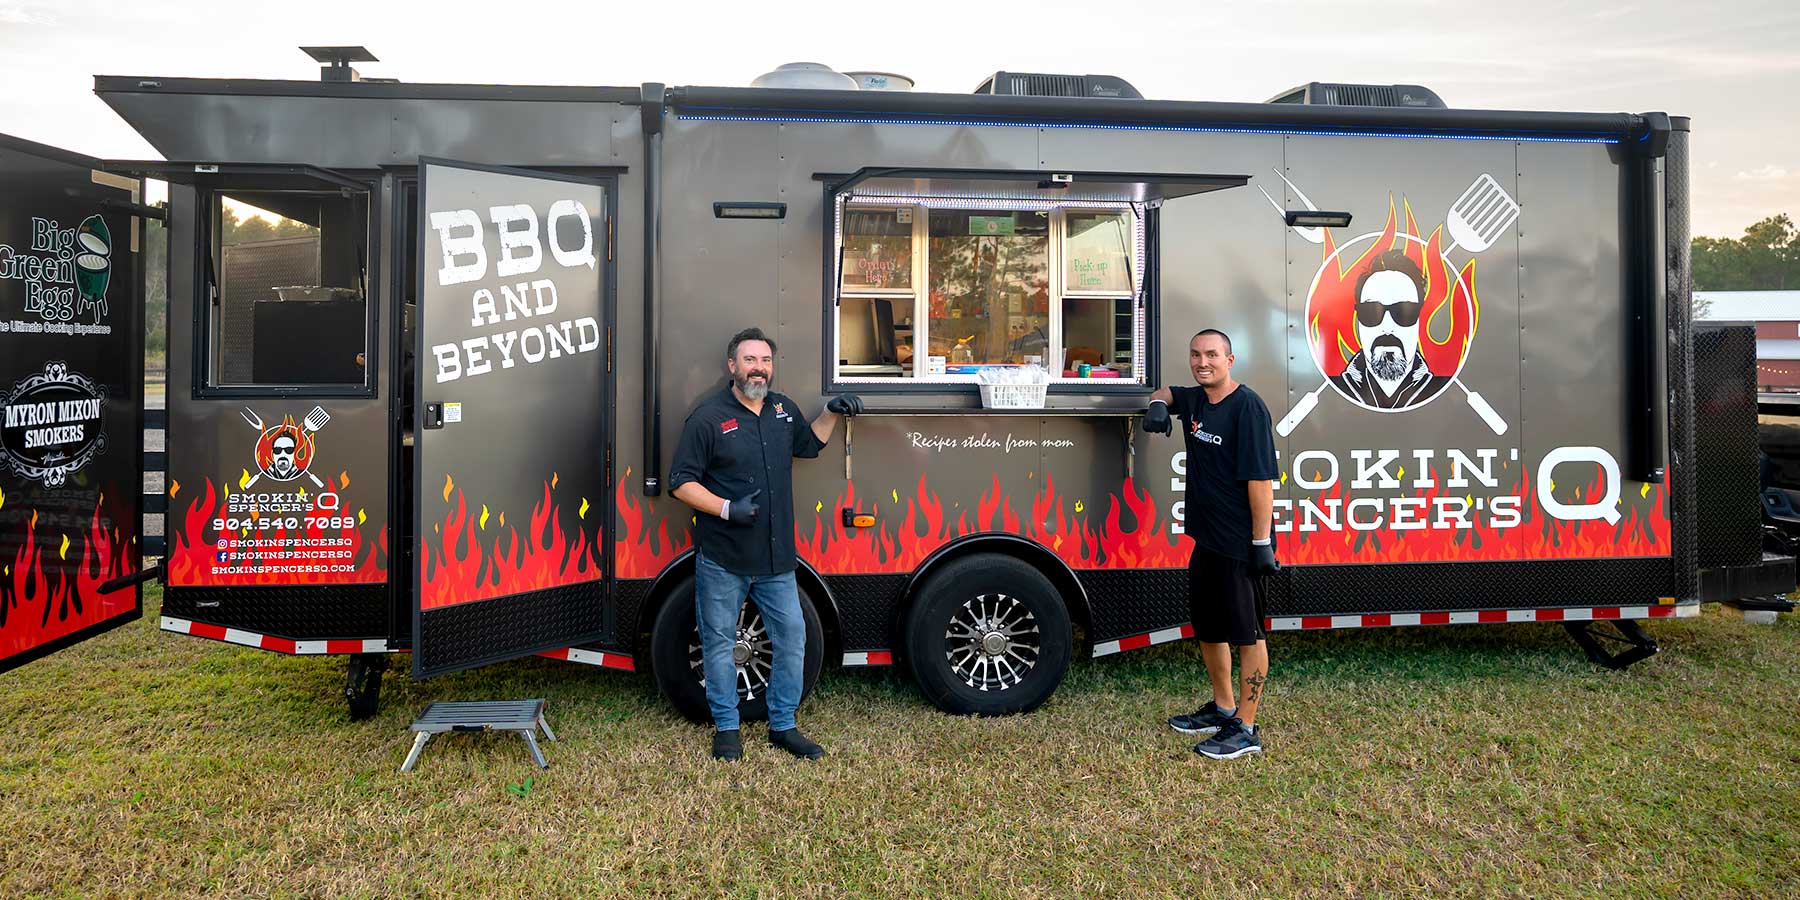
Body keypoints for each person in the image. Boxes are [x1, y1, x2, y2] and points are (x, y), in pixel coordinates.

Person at [669, 327, 862, 762]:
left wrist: (832, 411)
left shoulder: (781, 409)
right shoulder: (708, 418)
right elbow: (680, 483)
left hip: (776, 560)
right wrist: (725, 509)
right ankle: (727, 729)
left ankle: (783, 726)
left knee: (793, 638)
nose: (759, 368)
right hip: (724, 557)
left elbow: (809, 445)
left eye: (766, 361)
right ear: (732, 366)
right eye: (750, 360)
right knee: (718, 643)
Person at [1142, 329, 1280, 759]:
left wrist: (1260, 543)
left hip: (1241, 543)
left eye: (1213, 355)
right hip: (1207, 538)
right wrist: (1158, 405)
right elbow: (1164, 390)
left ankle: (1247, 726)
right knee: (1208, 626)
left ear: (1230, 359)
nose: (1203, 362)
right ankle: (1223, 707)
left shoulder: (1248, 409)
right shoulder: (1198, 399)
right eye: (1196, 354)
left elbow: (1261, 482)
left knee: (1247, 633)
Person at [1328, 250, 1452, 409]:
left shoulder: (1442, 393)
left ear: (1419, 317)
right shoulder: (1335, 394)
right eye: (1371, 312)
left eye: (1403, 311)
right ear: (1358, 318)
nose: (1387, 327)